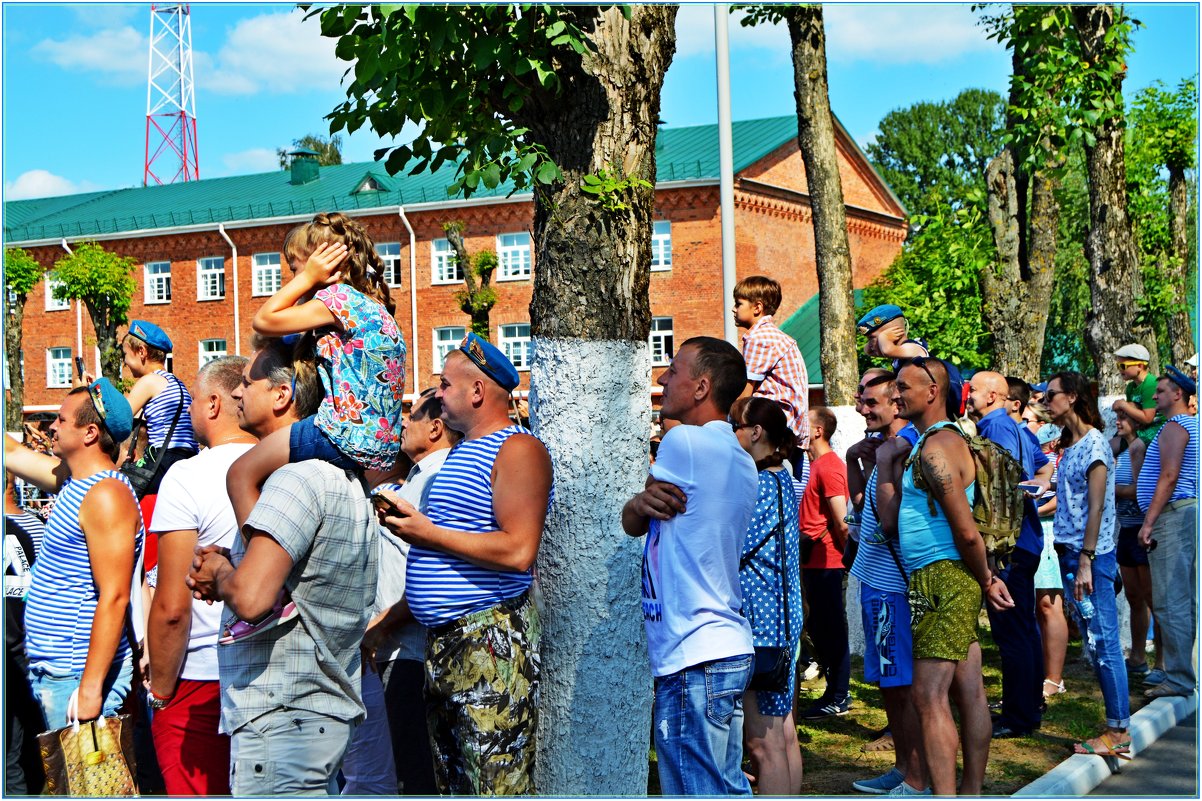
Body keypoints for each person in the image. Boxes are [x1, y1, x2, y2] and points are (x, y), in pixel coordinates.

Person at [185, 337, 378, 795]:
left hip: (284, 716)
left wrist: (221, 575)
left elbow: (253, 598)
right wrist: (234, 571)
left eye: (247, 383)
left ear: (282, 394)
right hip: (312, 714)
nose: (236, 394)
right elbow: (289, 588)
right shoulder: (343, 480)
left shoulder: (295, 479)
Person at [377, 333, 552, 795]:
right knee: (456, 784)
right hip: (448, 643)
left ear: (477, 392)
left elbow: (518, 550)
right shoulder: (458, 454)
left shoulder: (517, 448)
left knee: (494, 785)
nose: (436, 395)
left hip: (487, 642)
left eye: (445, 384)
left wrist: (426, 532)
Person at [621, 336, 757, 796]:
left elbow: (631, 519)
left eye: (674, 370)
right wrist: (640, 502)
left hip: (693, 653)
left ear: (701, 388)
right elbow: (638, 519)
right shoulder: (741, 458)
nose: (662, 378)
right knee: (726, 787)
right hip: (723, 646)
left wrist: (638, 502)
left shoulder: (684, 442)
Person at [877, 357, 1011, 796]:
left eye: (903, 386)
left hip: (942, 578)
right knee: (968, 690)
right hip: (942, 577)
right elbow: (893, 524)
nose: (895, 394)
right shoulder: (932, 444)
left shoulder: (937, 448)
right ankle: (968, 792)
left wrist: (987, 579)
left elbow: (967, 531)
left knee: (927, 696)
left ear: (932, 390)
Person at [228, 210, 405, 526]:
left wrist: (307, 278)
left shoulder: (337, 299)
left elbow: (264, 321)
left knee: (240, 473)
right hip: (374, 442)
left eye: (295, 269)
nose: (293, 279)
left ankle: (254, 556)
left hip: (341, 435)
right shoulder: (370, 305)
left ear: (323, 263)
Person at [3, 379, 143, 726]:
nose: (52, 426)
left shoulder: (106, 495)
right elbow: (13, 454)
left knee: (88, 782)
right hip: (60, 672)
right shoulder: (73, 481)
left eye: (63, 420)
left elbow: (114, 596)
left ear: (90, 433)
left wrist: (91, 690)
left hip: (77, 677)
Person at [145, 356, 254, 795]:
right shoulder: (291, 467)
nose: (187, 411)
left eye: (191, 400)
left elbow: (173, 606)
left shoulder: (187, 475)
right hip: (272, 674)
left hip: (201, 678)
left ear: (213, 404)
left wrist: (161, 693)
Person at [355, 388, 459, 795]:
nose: (402, 421)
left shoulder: (436, 478)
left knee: (414, 773)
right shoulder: (417, 475)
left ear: (435, 427)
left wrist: (381, 626)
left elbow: (432, 570)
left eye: (412, 415)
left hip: (409, 650)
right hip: (398, 647)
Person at [846, 370, 928, 796]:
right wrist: (854, 463)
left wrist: (879, 461)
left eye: (870, 402)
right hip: (875, 580)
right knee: (890, 686)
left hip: (894, 587)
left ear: (896, 403)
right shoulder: (883, 452)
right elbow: (863, 515)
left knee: (904, 686)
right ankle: (902, 769)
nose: (862, 409)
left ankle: (917, 780)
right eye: (861, 400)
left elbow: (891, 524)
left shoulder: (906, 449)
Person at [1043, 371, 1130, 759]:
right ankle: (1115, 726)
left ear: (1073, 397)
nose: (1046, 401)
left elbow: (1097, 506)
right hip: (1071, 553)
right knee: (1095, 642)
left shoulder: (1094, 443)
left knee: (1104, 642)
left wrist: (1086, 561)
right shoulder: (1070, 444)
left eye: (1052, 395)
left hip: (1089, 557)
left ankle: (1117, 731)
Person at [965, 371, 1052, 739]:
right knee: (1025, 630)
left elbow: (996, 492)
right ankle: (1028, 707)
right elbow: (1044, 464)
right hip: (1027, 541)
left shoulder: (996, 429)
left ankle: (1020, 717)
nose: (968, 395)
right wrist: (1042, 482)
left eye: (974, 390)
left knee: (1013, 633)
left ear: (994, 396)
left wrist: (992, 552)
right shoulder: (1014, 427)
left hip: (1009, 546)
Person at [729, 396, 803, 795]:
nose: (728, 434)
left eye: (733, 426)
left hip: (765, 627)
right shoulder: (781, 478)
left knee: (763, 743)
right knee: (783, 736)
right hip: (779, 622)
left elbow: (733, 546)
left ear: (755, 433)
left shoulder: (763, 484)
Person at [94, 320, 199, 569]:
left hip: (163, 461)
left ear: (141, 352)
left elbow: (119, 421)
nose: (124, 364)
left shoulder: (150, 381)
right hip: (184, 460)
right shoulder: (177, 383)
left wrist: (95, 390)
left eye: (125, 356)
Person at [1136, 367, 1198, 699]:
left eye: (1160, 391)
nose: (1154, 395)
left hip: (1171, 518)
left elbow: (1169, 475)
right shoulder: (1189, 424)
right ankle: (1183, 671)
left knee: (1170, 600)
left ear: (1178, 395)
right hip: (1183, 516)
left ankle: (1177, 677)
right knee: (1184, 599)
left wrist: (1149, 522)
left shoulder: (1175, 426)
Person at [797, 406, 853, 720]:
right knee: (820, 629)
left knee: (832, 630)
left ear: (818, 431)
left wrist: (847, 560)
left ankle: (839, 697)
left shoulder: (830, 467)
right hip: (813, 563)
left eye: (803, 424)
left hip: (828, 563)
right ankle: (832, 692)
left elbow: (842, 521)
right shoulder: (814, 466)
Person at [732, 275, 810, 446]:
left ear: (757, 307)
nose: (734, 309)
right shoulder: (773, 334)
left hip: (774, 427)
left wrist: (725, 420)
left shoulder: (759, 337)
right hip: (790, 427)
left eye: (739, 304)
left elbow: (745, 392)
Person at [5, 473, 44, 795]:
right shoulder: (24, 530)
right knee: (13, 755)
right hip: (20, 650)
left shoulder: (20, 531)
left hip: (16, 655)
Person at [1112, 409, 1158, 684]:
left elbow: (1140, 490)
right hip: (1127, 530)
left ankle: (1161, 661)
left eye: (1123, 418)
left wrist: (1109, 489)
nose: (1117, 422)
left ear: (1136, 423)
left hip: (1142, 529)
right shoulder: (1121, 447)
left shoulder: (1139, 447)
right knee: (1133, 597)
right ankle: (1138, 657)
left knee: (1151, 598)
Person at [1031, 424, 1068, 703]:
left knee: (1050, 604)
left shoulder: (1061, 458)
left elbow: (1060, 497)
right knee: (1038, 606)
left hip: (1050, 532)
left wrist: (1033, 510)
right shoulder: (1032, 451)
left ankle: (1054, 679)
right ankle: (1043, 672)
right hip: (1034, 531)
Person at [1111, 343, 1164, 444]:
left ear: (1140, 366)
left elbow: (1148, 418)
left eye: (1123, 366)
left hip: (1156, 428)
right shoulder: (1130, 387)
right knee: (1109, 447)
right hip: (1139, 429)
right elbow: (1129, 413)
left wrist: (1123, 405)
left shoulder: (1151, 384)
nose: (1119, 369)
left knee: (1137, 448)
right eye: (1118, 366)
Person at [857, 304, 929, 364]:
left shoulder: (913, 347)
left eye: (872, 338)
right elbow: (868, 352)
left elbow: (887, 351)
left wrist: (883, 337)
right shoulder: (897, 353)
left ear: (892, 333)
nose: (870, 344)